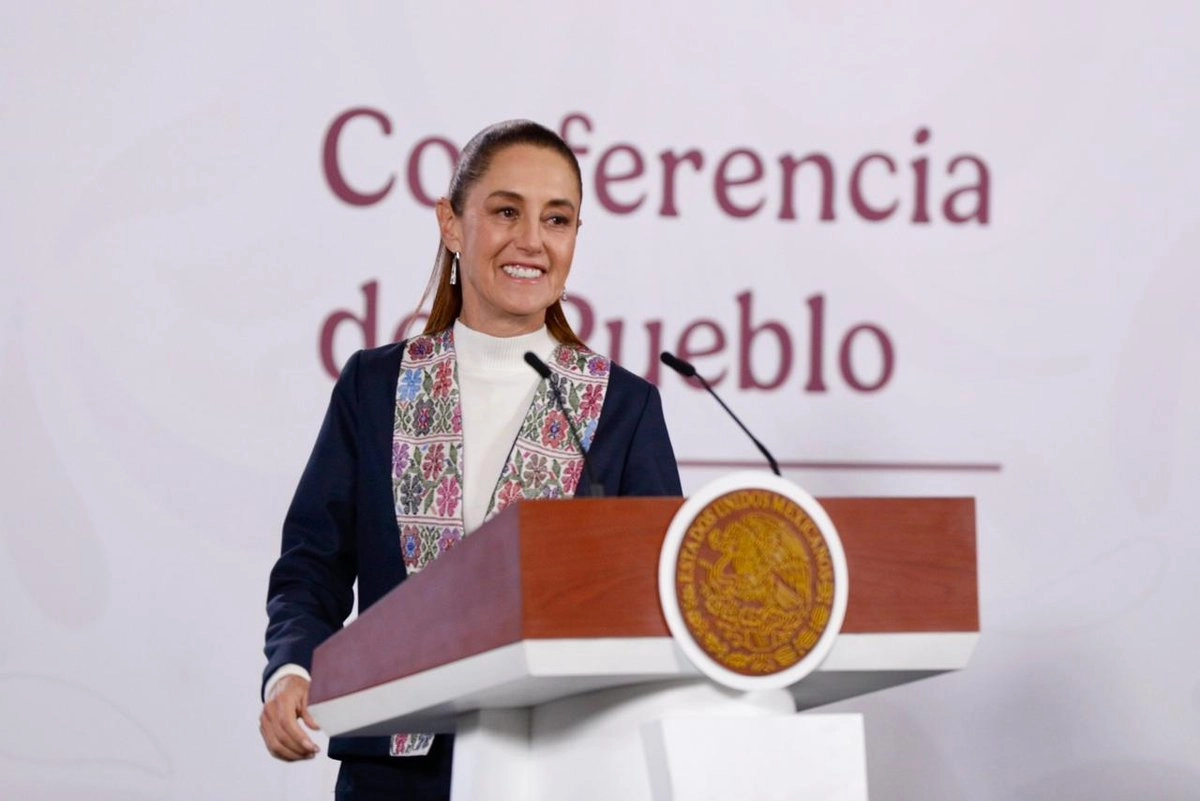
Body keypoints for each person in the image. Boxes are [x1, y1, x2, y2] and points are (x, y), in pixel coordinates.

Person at [259, 119, 682, 800]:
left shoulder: (619, 409)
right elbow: (312, 564)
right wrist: (293, 670)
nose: (532, 241)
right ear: (452, 225)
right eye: (506, 211)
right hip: (392, 774)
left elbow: (658, 601)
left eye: (557, 219)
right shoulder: (376, 387)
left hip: (560, 772)